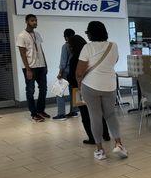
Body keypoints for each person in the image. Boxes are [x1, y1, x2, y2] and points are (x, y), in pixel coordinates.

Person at [76, 21, 127, 160]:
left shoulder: (87, 48)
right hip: (109, 86)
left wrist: (79, 84)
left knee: (95, 116)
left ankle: (100, 150)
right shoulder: (113, 45)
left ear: (90, 33)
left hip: (90, 86)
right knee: (110, 115)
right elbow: (114, 61)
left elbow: (79, 71)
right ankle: (119, 144)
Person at [67, 35, 110, 145]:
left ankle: (92, 138)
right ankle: (106, 135)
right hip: (94, 87)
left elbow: (73, 76)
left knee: (85, 115)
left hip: (79, 89)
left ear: (72, 46)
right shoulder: (90, 55)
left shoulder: (74, 58)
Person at [16, 14, 50, 122]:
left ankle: (40, 110)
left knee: (43, 89)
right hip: (30, 67)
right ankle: (34, 113)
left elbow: (40, 49)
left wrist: (45, 64)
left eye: (35, 20)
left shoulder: (37, 34)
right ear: (26, 22)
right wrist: (28, 69)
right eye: (32, 20)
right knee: (30, 91)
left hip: (41, 66)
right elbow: (22, 54)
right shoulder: (21, 35)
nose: (35, 22)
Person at [53, 29, 78, 120]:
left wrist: (60, 73)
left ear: (65, 37)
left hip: (66, 72)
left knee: (59, 92)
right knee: (74, 92)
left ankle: (61, 114)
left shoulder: (65, 46)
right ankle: (74, 111)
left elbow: (63, 62)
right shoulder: (78, 46)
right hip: (75, 72)